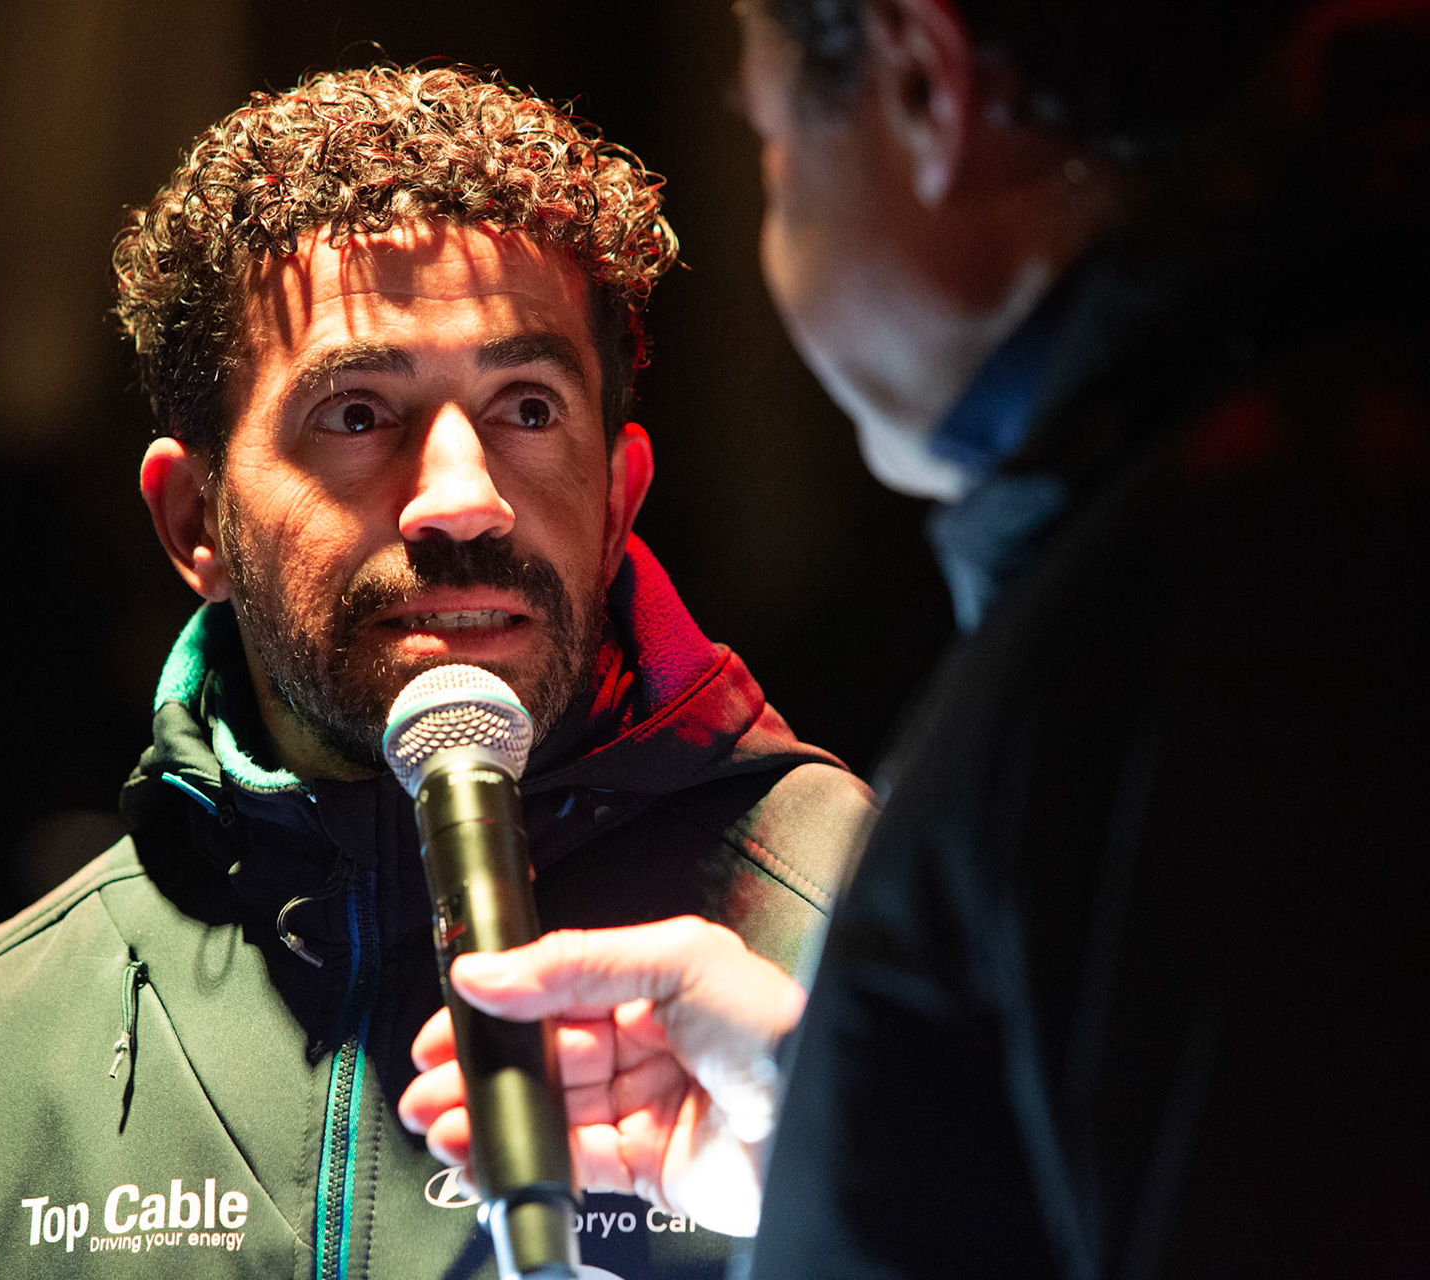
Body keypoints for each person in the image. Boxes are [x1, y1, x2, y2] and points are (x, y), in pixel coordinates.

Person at [401, 0, 1430, 1273]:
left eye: (774, 144)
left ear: (924, 90)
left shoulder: (1251, 589)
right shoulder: (1238, 516)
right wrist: (842, 1129)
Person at [0, 64, 880, 1279]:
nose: (462, 498)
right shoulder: (4, 1027)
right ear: (195, 520)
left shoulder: (869, 911)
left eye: (527, 406)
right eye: (356, 414)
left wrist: (878, 1180)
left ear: (620, 498)